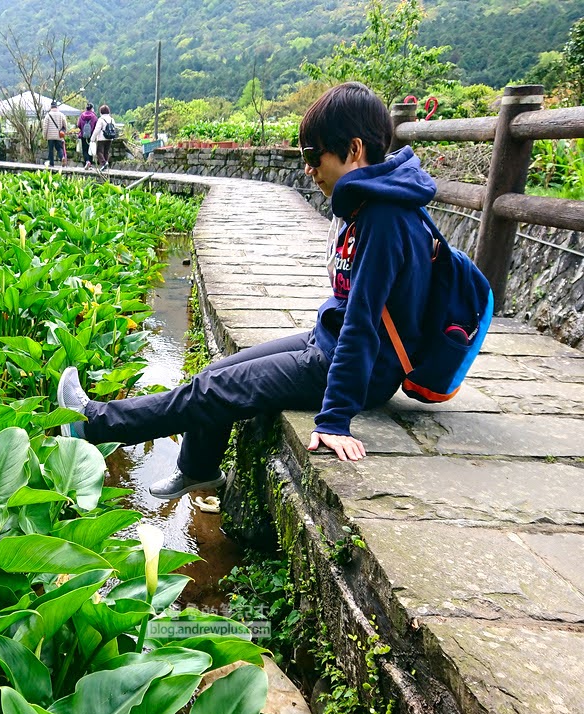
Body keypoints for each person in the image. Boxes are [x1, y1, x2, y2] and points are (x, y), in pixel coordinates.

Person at [58, 82, 436, 498]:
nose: (308, 170)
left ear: (354, 149)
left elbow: (363, 326)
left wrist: (334, 420)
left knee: (216, 390)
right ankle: (199, 469)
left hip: (358, 367)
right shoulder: (367, 202)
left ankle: (93, 423)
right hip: (329, 339)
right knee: (213, 374)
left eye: (314, 156)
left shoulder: (385, 219)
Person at [42, 100, 67, 167]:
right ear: (56, 107)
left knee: (51, 150)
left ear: (51, 107)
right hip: (59, 135)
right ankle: (62, 157)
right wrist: (64, 131)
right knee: (59, 148)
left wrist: (44, 136)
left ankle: (51, 163)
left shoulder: (48, 115)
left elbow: (45, 127)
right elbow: (65, 125)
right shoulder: (61, 115)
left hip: (50, 136)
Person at [91, 105, 116, 171]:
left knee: (99, 152)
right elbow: (114, 128)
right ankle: (105, 164)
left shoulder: (101, 119)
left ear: (101, 112)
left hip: (101, 138)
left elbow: (97, 130)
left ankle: (104, 163)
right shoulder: (112, 119)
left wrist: (92, 138)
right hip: (110, 138)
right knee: (106, 152)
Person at [77, 103, 98, 168]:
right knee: (90, 149)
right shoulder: (94, 116)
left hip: (83, 135)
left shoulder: (82, 115)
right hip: (91, 135)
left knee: (85, 150)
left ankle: (87, 161)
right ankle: (90, 163)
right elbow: (96, 125)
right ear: (92, 108)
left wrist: (83, 129)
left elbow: (78, 125)